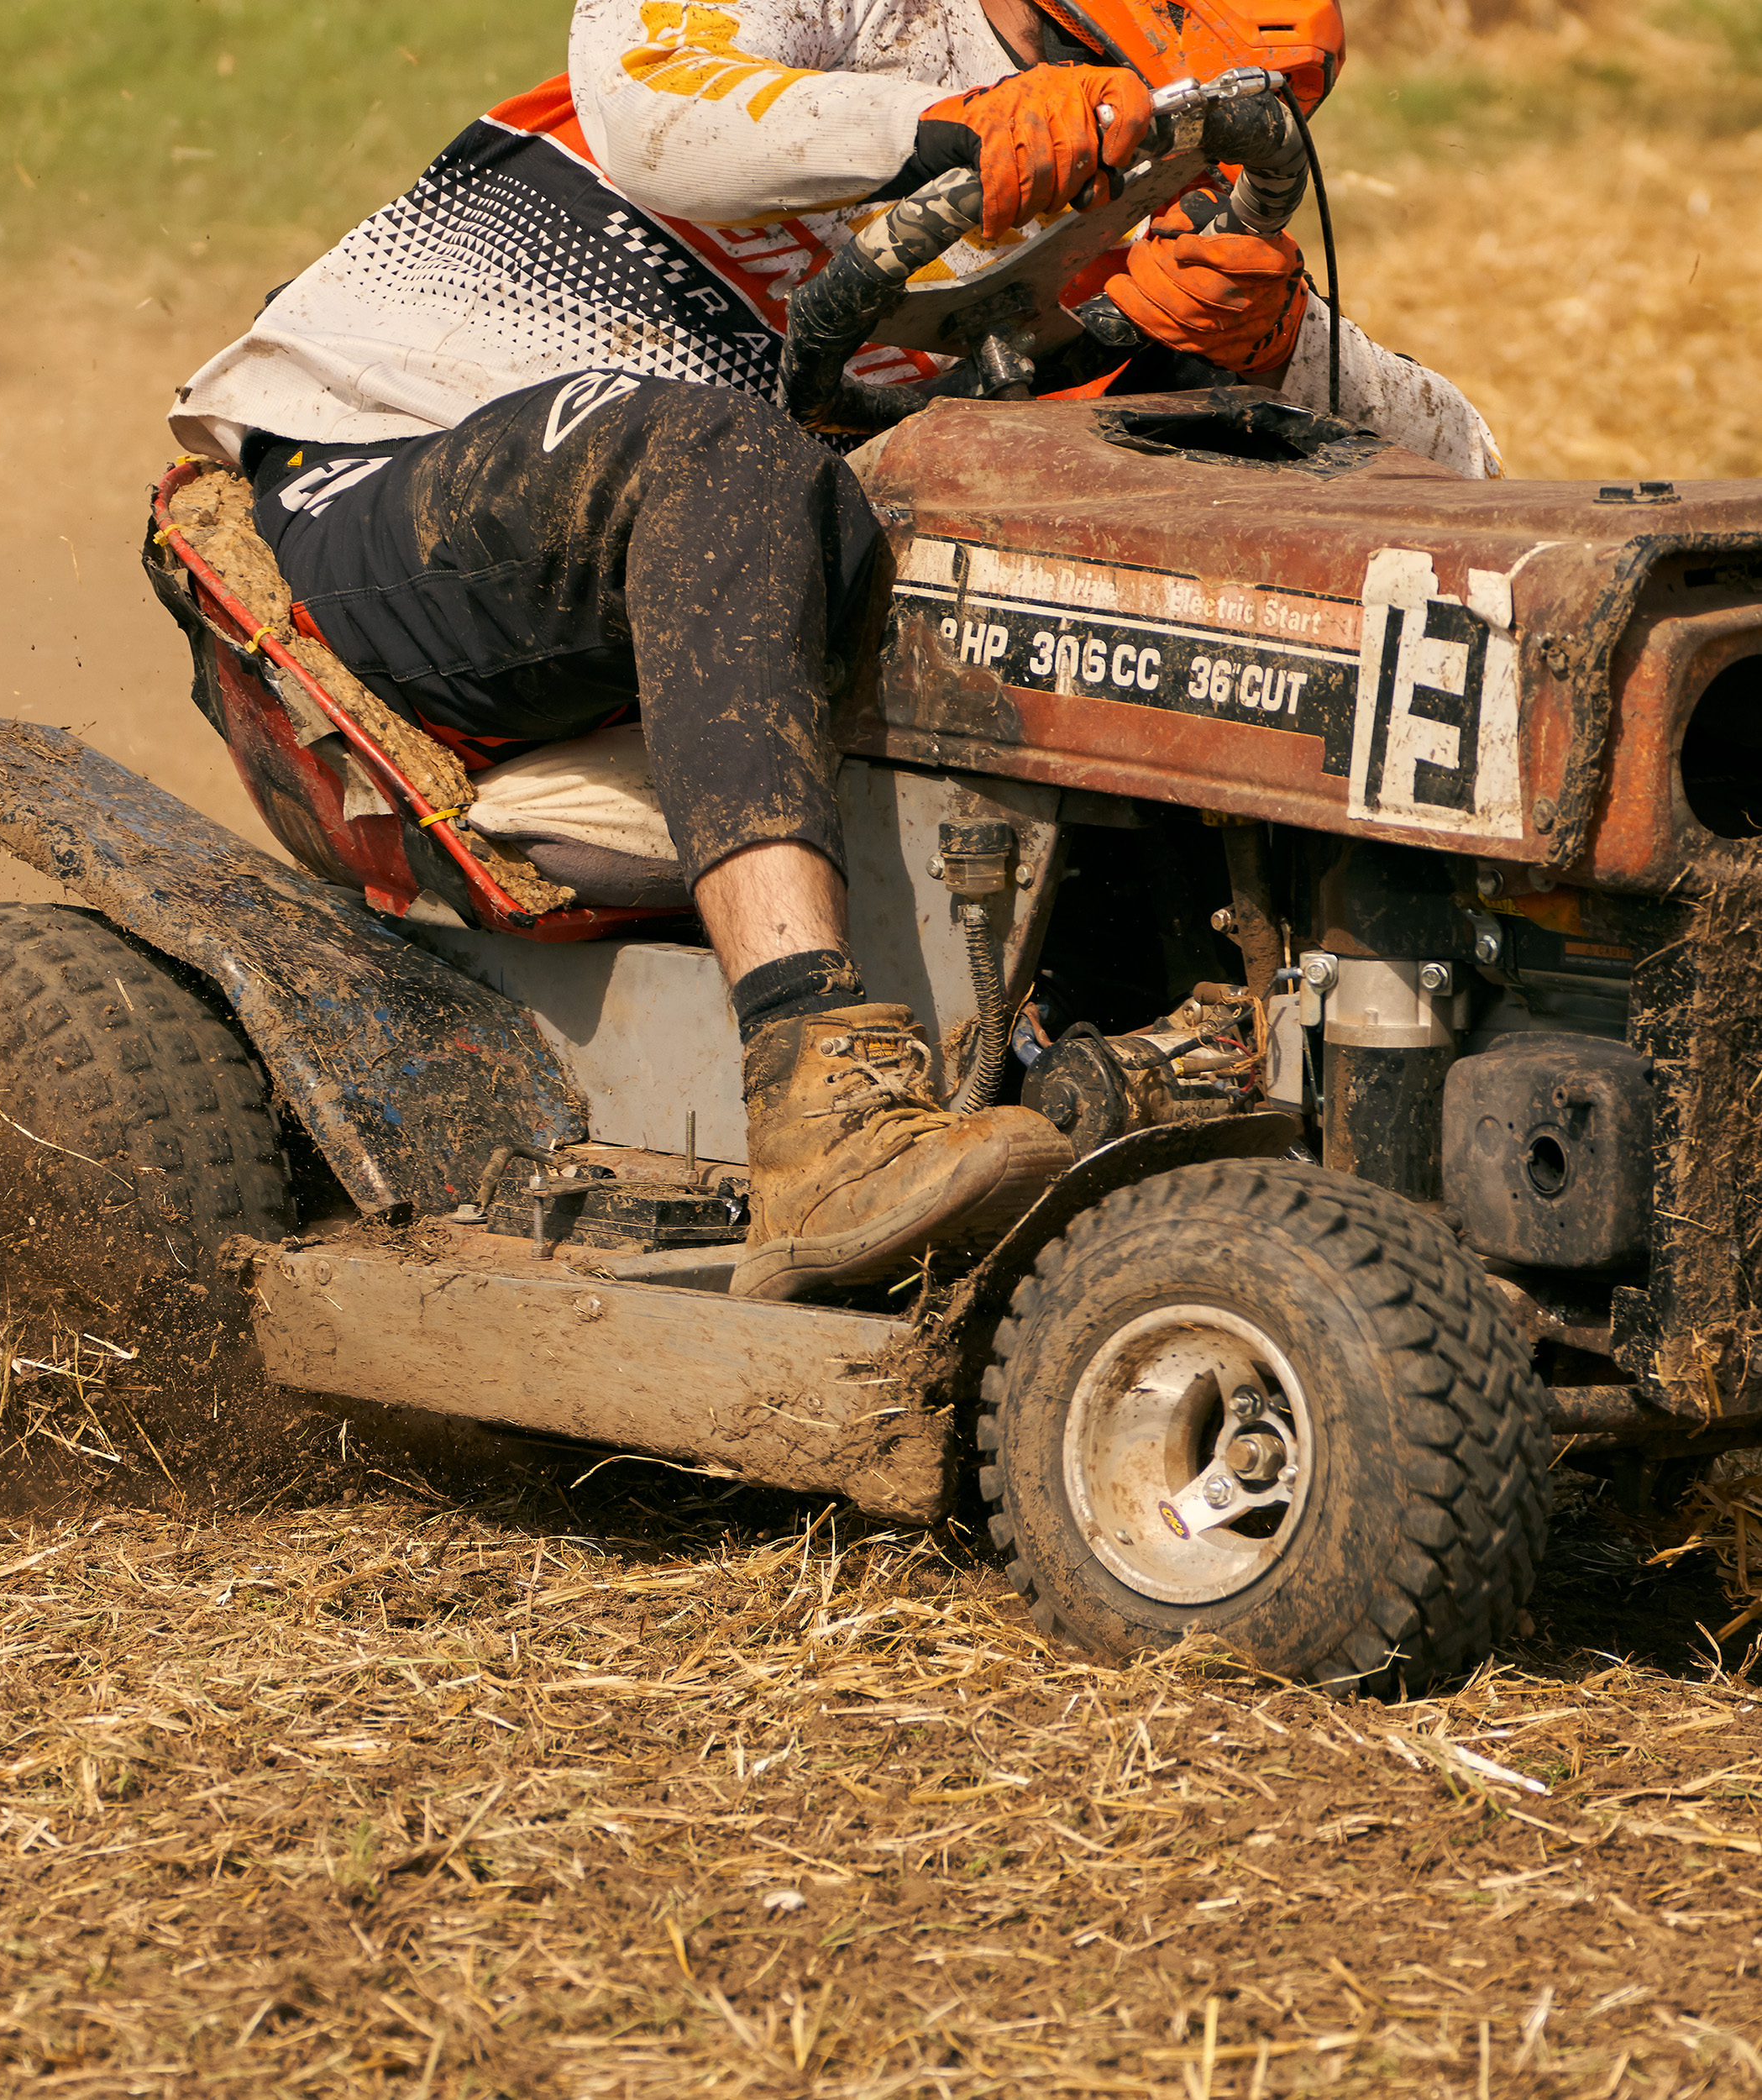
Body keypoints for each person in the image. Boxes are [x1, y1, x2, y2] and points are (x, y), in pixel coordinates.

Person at [168, 0, 1495, 1305]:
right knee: (731, 455)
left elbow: (1466, 489)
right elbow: (648, 102)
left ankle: (1200, 1058)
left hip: (707, 611)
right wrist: (945, 122)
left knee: (1121, 566)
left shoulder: (1151, 216)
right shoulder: (863, 15)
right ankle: (814, 1086)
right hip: (382, 485)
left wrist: (1268, 359)